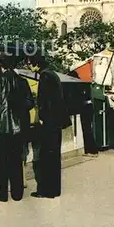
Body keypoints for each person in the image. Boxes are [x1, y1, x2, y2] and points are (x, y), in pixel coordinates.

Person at [0, 56, 32, 202]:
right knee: (16, 160)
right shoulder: (23, 82)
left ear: (2, 66)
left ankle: (2, 193)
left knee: (1, 161)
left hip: (0, 128)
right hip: (18, 129)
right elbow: (30, 103)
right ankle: (17, 194)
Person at [30, 57, 71, 199]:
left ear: (37, 63)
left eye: (30, 63)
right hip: (57, 121)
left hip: (49, 121)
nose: (29, 66)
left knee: (46, 156)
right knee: (54, 156)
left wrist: (41, 117)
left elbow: (44, 100)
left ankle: (45, 190)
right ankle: (54, 190)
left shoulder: (45, 76)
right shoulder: (52, 74)